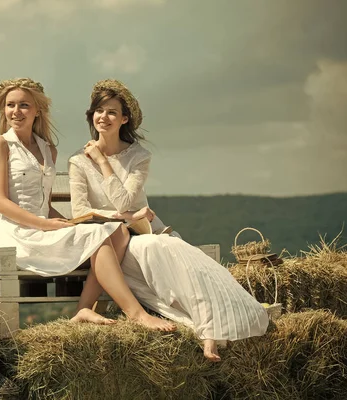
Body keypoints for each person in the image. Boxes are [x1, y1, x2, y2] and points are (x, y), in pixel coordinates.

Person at [68, 79, 269, 361]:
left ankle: (209, 327)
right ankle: (191, 325)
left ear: (124, 118)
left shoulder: (139, 156)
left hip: (142, 233)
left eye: (112, 111)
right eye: (99, 110)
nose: (104, 117)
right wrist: (121, 217)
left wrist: (102, 162)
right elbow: (80, 212)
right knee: (136, 242)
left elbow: (125, 199)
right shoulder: (78, 161)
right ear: (91, 115)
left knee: (175, 253)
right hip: (101, 236)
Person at [0, 78, 175, 331]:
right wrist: (45, 224)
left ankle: (84, 308)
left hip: (46, 227)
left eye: (23, 105)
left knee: (117, 232)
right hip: (17, 233)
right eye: (10, 105)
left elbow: (45, 203)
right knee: (100, 235)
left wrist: (62, 222)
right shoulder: (1, 144)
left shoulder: (47, 150)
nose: (16, 112)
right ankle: (136, 314)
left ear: (37, 110)